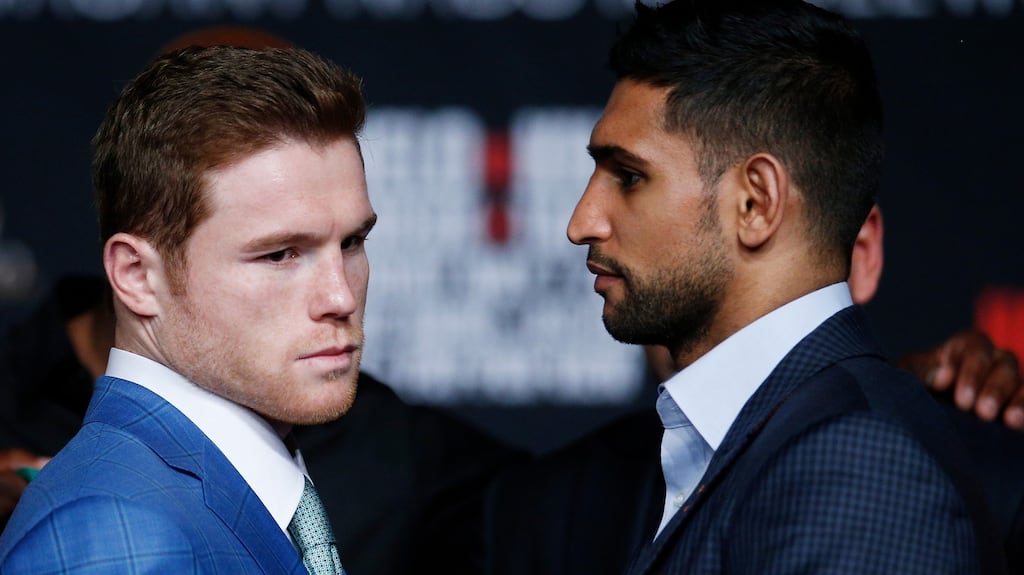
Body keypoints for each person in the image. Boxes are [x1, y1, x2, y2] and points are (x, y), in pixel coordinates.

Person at [558, 0, 1004, 572]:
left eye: (629, 176)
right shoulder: (766, 437)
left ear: (756, 202)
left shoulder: (856, 465)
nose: (582, 223)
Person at [0, 45, 374, 573]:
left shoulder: (215, 487)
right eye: (279, 254)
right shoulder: (115, 533)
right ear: (137, 276)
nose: (340, 297)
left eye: (352, 242)